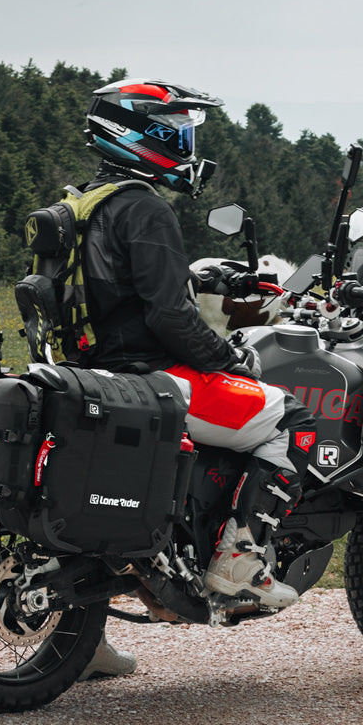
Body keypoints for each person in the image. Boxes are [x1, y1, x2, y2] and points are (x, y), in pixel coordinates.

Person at [75, 78, 318, 610]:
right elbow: (169, 317)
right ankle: (239, 562)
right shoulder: (145, 208)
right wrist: (231, 359)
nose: (186, 144)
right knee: (293, 420)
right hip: (153, 378)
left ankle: (80, 642)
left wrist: (200, 276)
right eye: (178, 131)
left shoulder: (83, 206)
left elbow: (119, 287)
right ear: (141, 132)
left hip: (94, 375)